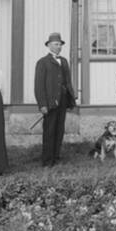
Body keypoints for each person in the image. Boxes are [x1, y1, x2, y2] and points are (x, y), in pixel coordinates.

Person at [34, 32, 76, 167]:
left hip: (62, 101)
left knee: (59, 129)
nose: (58, 47)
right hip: (50, 103)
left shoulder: (64, 61)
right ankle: (47, 161)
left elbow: (68, 81)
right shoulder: (42, 62)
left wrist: (70, 99)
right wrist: (42, 104)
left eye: (60, 45)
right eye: (55, 44)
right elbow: (39, 86)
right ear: (49, 46)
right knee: (49, 130)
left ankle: (56, 157)